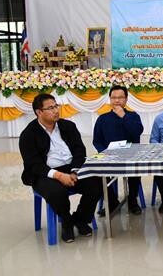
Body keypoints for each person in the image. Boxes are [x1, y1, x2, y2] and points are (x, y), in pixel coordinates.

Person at [19, 93, 102, 243]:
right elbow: (34, 165)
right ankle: (66, 222)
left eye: (56, 106)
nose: (56, 111)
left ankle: (80, 219)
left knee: (97, 182)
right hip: (45, 173)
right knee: (57, 192)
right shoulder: (28, 134)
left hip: (71, 167)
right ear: (39, 112)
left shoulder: (68, 126)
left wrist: (74, 171)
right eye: (50, 108)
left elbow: (79, 151)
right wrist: (58, 175)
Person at [93, 85, 144, 215]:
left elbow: (137, 133)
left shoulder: (133, 116)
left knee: (135, 169)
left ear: (126, 100)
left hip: (130, 154)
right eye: (113, 98)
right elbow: (96, 140)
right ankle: (112, 201)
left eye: (120, 97)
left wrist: (123, 116)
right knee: (97, 173)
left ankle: (132, 200)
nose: (116, 101)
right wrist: (104, 152)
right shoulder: (102, 118)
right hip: (109, 155)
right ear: (110, 99)